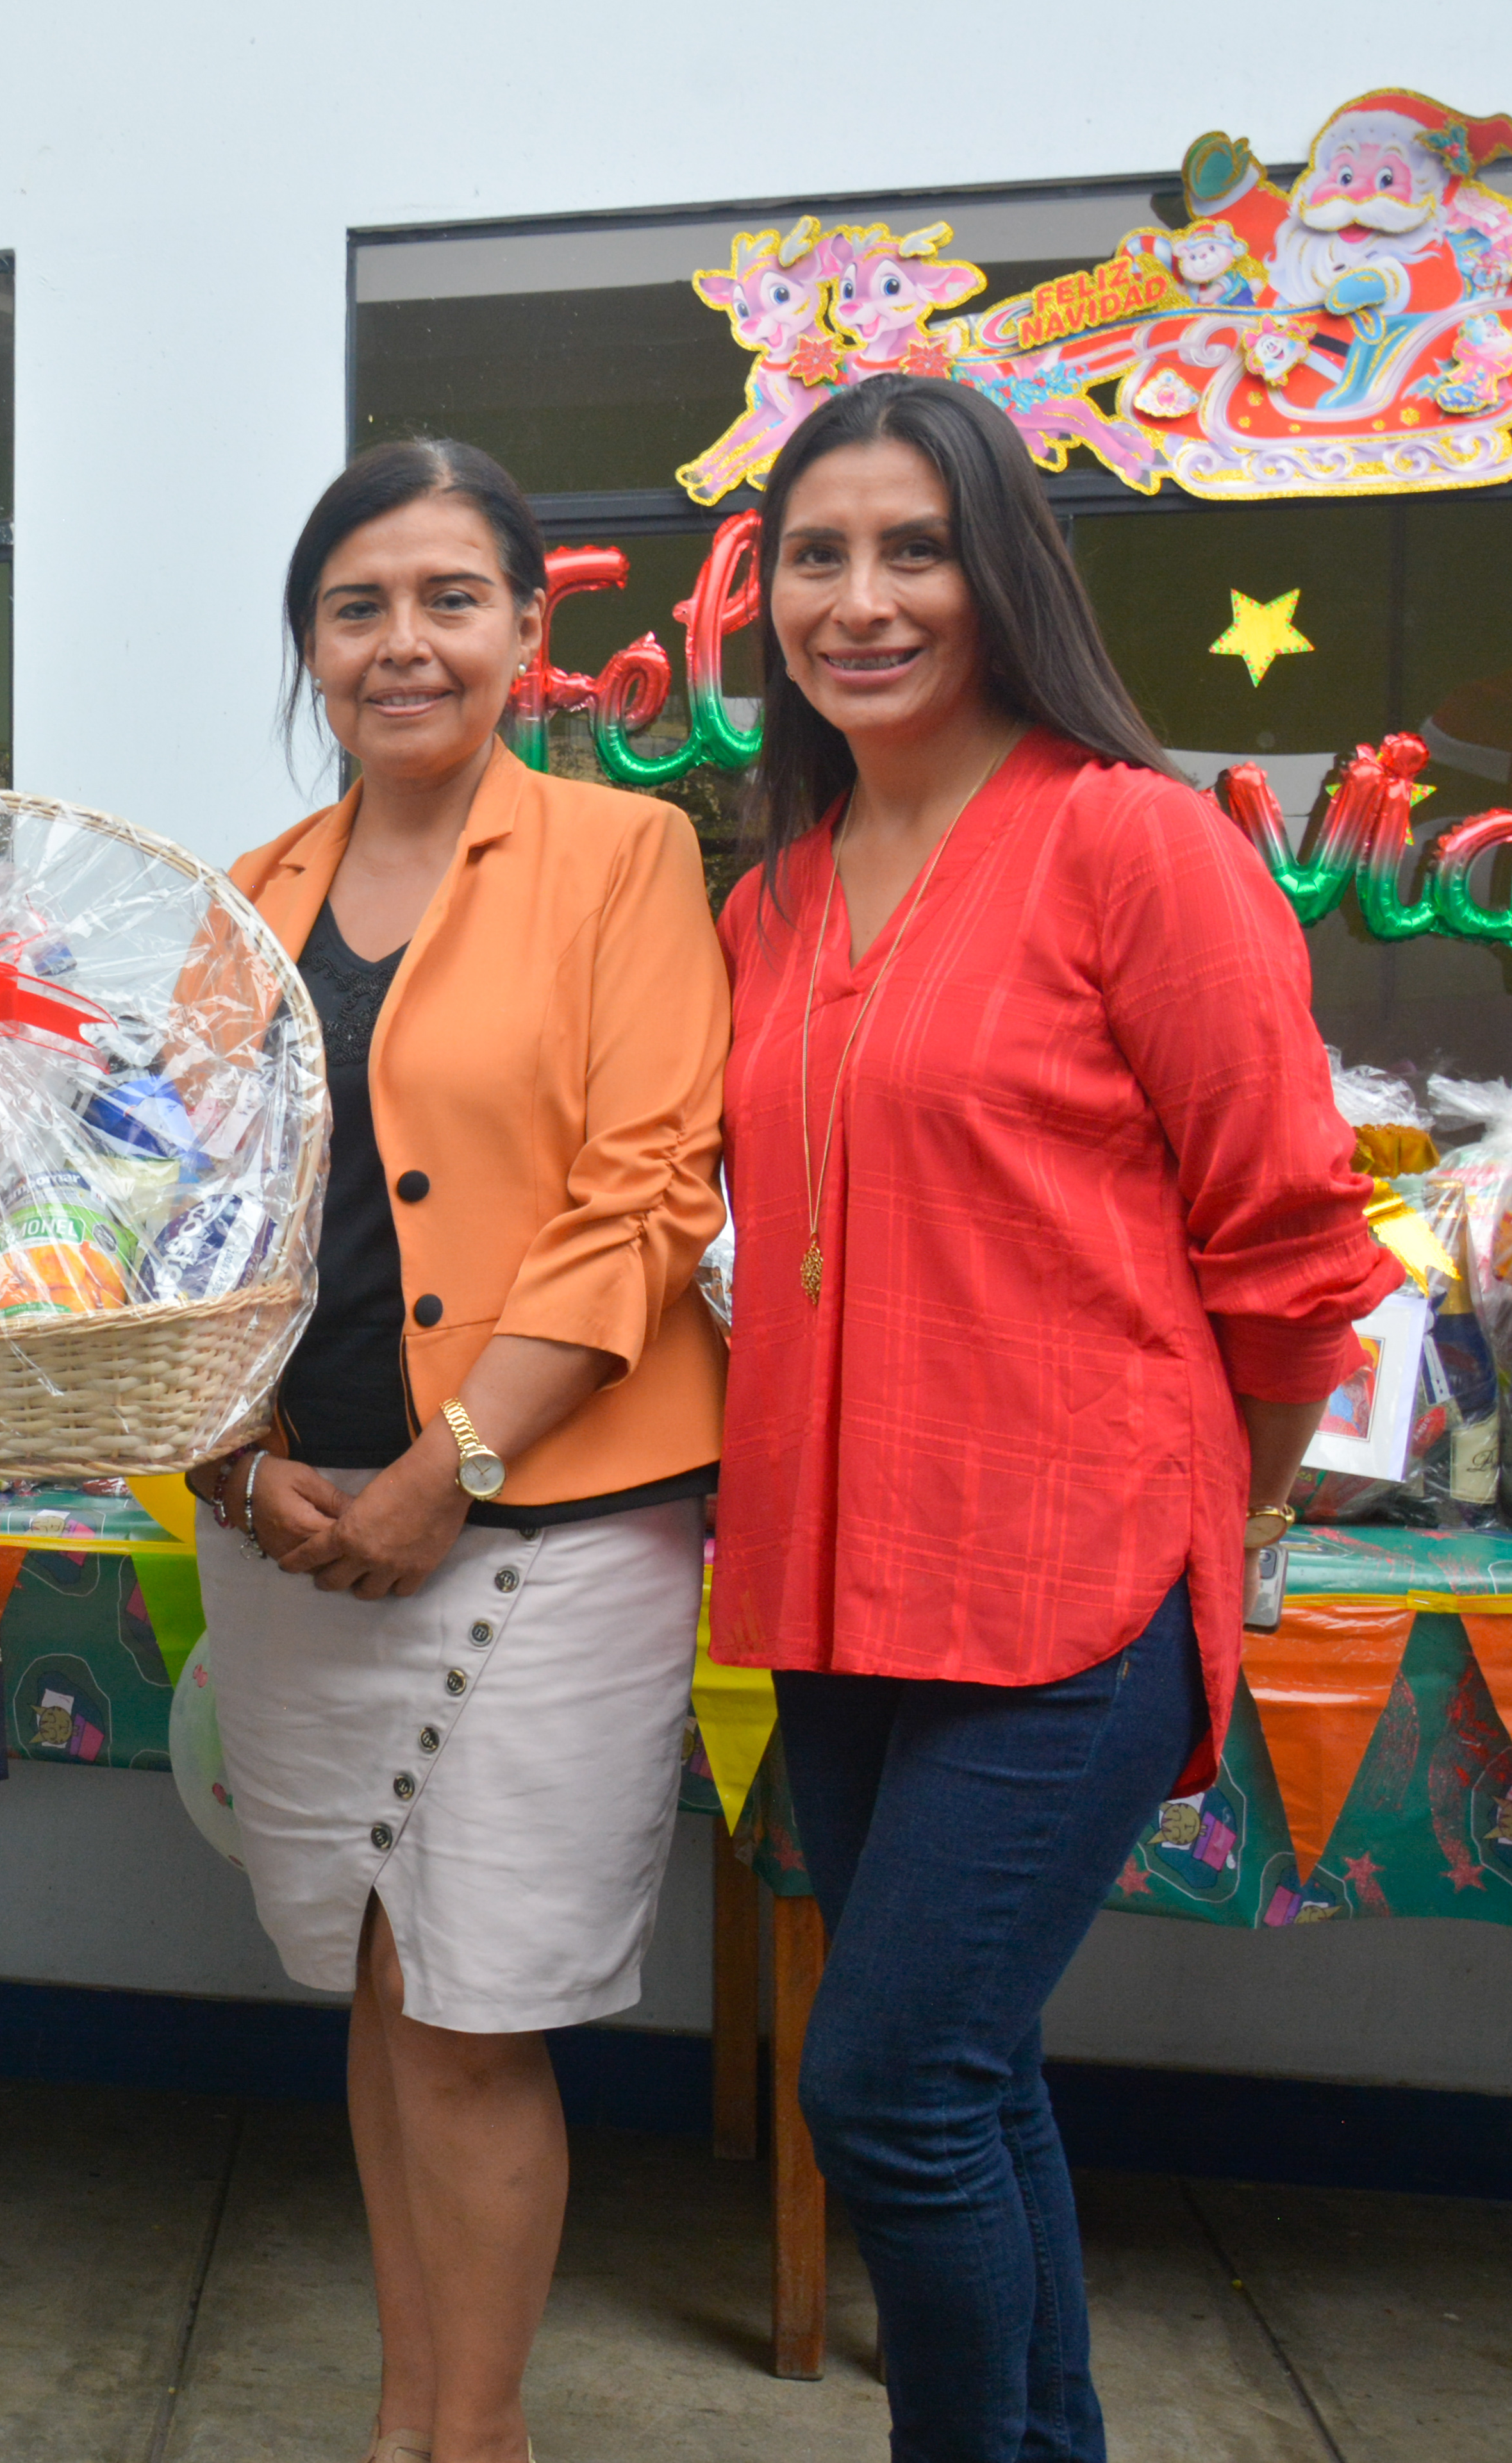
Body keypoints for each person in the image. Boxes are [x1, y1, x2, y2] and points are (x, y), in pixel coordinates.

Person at [711, 375, 1397, 2459]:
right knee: (973, 2068)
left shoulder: (1135, 845)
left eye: (910, 547)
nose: (859, 600)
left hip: (1073, 1567)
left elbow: (1286, 1242)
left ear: (1002, 568)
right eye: (815, 556)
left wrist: (1228, 1508)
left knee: (884, 2084)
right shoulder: (775, 891)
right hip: (835, 1577)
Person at [182, 440, 729, 2463]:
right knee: (376, 1980)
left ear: (523, 627)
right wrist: (232, 1460)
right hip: (290, 1530)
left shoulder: (625, 856)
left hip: (546, 1530)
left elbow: (645, 1190)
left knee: (476, 2013)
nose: (400, 641)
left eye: (444, 598)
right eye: (356, 606)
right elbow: (179, 1213)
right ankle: (408, 2422)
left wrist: (451, 1466)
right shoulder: (241, 898)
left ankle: (474, 2435)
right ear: (311, 646)